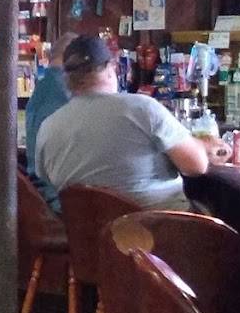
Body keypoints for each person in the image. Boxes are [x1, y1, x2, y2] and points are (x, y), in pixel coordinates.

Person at [35, 34, 228, 210]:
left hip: (89, 234)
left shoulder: (48, 127)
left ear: (67, 78)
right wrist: (204, 147)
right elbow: (196, 166)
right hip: (157, 230)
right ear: (110, 69)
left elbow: (46, 177)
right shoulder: (142, 108)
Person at [24, 30, 78, 212]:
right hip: (58, 200)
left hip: (41, 194)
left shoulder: (43, 87)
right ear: (74, 60)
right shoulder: (64, 91)